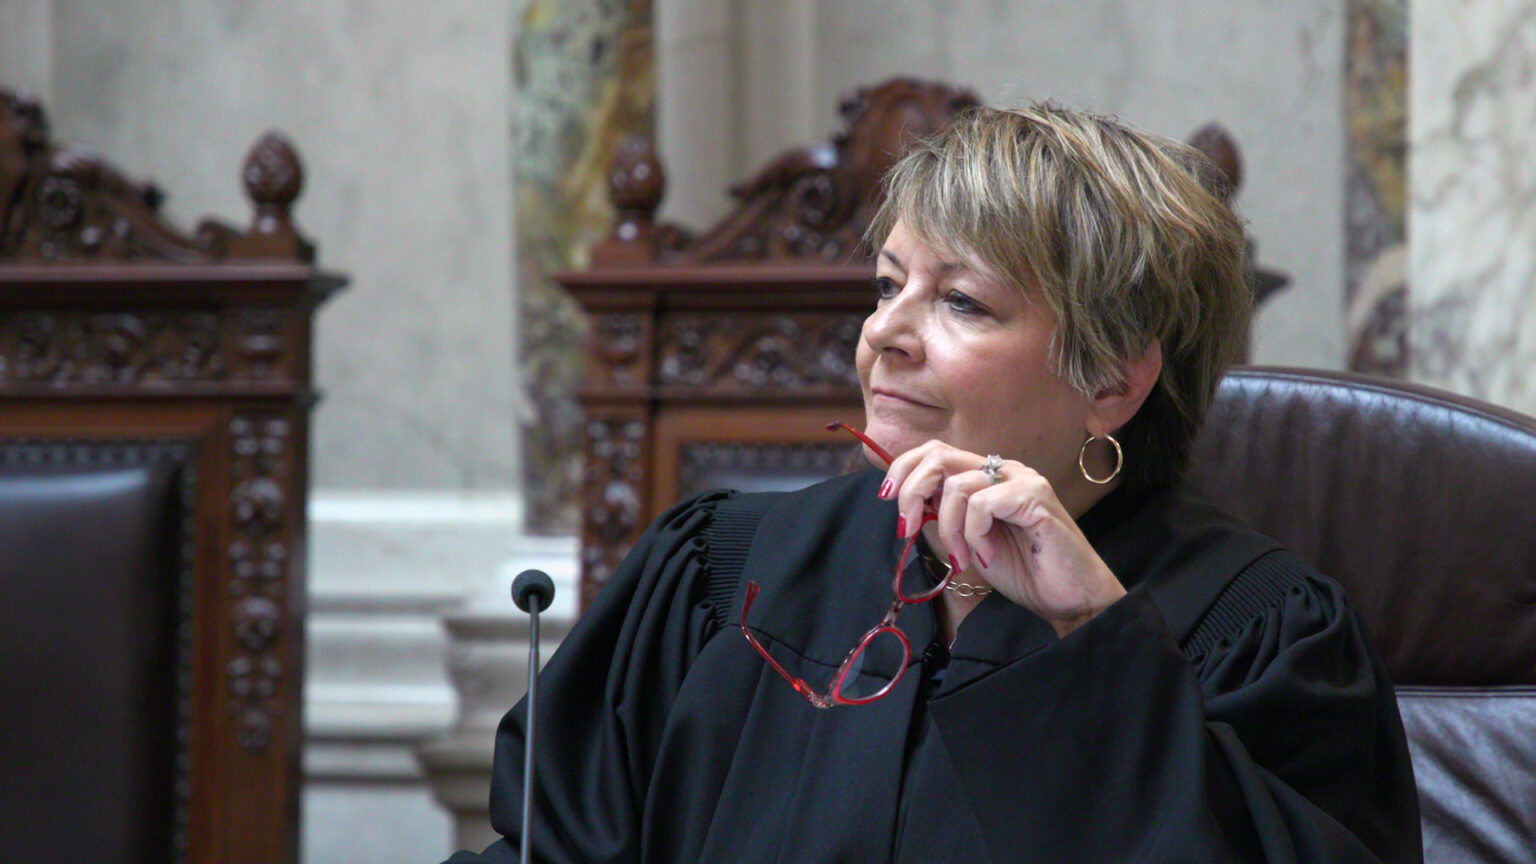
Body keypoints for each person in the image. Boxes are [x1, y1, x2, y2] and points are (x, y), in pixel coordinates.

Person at [447, 104, 1422, 863]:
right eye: (887, 284)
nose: (885, 334)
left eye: (960, 300)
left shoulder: (1263, 635)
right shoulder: (723, 571)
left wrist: (1096, 645)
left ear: (1114, 380)